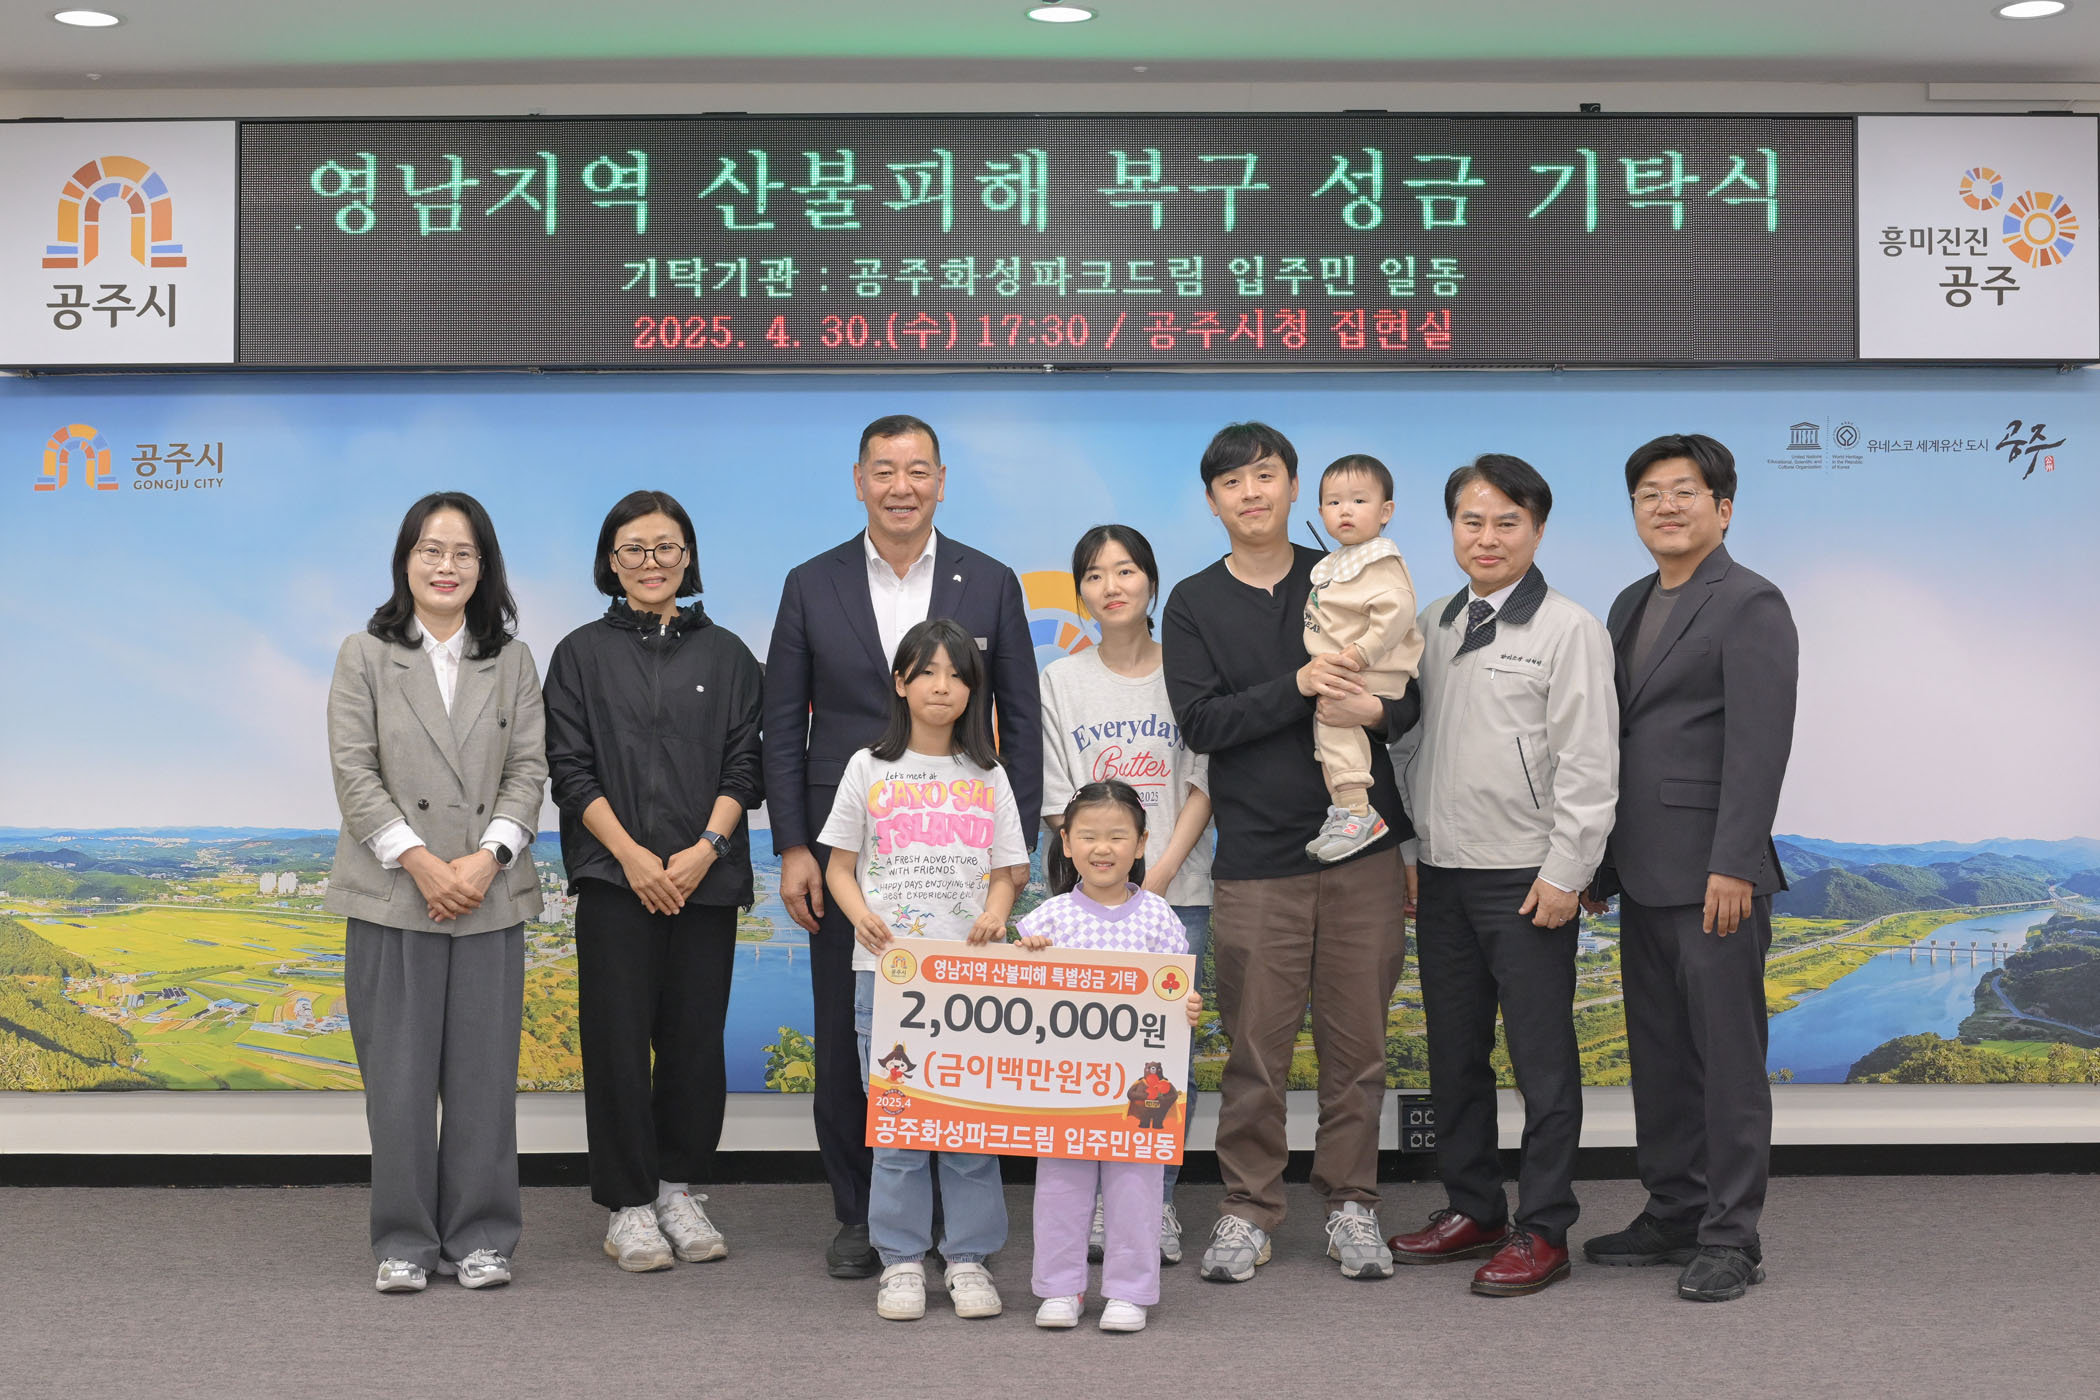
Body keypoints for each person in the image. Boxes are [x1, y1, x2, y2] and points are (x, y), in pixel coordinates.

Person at [762, 414, 1042, 1279]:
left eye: (918, 470)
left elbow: (1021, 721)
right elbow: (782, 723)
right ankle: (863, 1215)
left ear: (942, 481)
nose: (901, 486)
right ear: (859, 481)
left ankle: (957, 1222)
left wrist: (1013, 860)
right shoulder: (811, 583)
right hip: (849, 857)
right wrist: (795, 846)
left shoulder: (989, 581)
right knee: (850, 1040)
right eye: (883, 470)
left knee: (961, 1037)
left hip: (961, 857)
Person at [1160, 421, 1418, 1285]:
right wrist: (1299, 685)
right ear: (1212, 501)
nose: (1252, 493)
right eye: (1232, 482)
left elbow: (1409, 699)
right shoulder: (1194, 601)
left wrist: (1376, 712)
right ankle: (1248, 1208)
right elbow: (1203, 723)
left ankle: (1352, 1204)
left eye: (1266, 475)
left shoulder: (1347, 568)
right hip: (1257, 862)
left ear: (1295, 486)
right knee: (1254, 1055)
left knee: (1359, 1048)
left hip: (1362, 852)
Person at [1385, 455, 1618, 1298]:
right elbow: (1405, 746)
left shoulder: (1569, 629)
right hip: (1443, 873)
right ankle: (1474, 1208)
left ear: (1538, 530)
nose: (1487, 538)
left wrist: (1568, 871)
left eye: (1507, 522)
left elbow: (1590, 762)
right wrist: (1410, 854)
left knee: (1541, 1063)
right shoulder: (1433, 622)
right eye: (1472, 521)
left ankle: (1544, 1227)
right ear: (1452, 528)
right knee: (1455, 1057)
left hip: (1527, 878)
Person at [1580, 433, 1798, 1304]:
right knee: (1661, 1056)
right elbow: (1613, 739)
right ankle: (1674, 1210)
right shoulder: (1630, 602)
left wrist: (1735, 863)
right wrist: (1597, 862)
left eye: (1684, 491)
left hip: (1716, 876)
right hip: (1641, 870)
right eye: (1649, 494)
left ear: (1724, 508)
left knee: (1727, 1062)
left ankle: (1733, 1236)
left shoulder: (1750, 602)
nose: (1665, 506)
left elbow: (1759, 745)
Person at [323, 491, 546, 1294]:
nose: (445, 566)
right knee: (399, 1083)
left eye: (462, 553)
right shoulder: (365, 654)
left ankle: (483, 1236)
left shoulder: (512, 660)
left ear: (484, 567)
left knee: (485, 1081)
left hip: (490, 891)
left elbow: (529, 769)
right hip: (393, 893)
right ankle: (404, 1241)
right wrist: (420, 862)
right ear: (406, 561)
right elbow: (354, 772)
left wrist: (486, 859)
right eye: (430, 550)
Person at [541, 490, 764, 1273]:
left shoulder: (729, 655)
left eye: (665, 547)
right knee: (616, 1043)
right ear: (611, 561)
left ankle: (678, 1190)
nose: (650, 562)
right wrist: (633, 857)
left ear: (688, 556)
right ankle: (629, 1207)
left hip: (705, 879)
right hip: (614, 879)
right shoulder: (579, 654)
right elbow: (569, 769)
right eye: (633, 549)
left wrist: (705, 849)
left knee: (695, 1044)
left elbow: (746, 765)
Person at [818, 617, 1031, 1322]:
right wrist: (859, 915)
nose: (943, 686)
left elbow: (1008, 871)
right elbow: (839, 866)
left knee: (969, 1128)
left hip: (970, 981)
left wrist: (996, 911)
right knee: (899, 1129)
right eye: (928, 672)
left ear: (973, 690)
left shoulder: (989, 774)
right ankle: (902, 1260)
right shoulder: (867, 767)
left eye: (958, 675)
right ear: (901, 683)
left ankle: (968, 1258)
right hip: (888, 979)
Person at [1038, 524, 1213, 1266]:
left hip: (1178, 889)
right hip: (1087, 900)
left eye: (1127, 570)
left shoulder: (1189, 670)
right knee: (1084, 1053)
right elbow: (1056, 796)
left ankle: (1154, 1202)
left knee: (1167, 1054)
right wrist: (1105, 876)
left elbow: (1203, 782)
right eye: (1095, 575)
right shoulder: (1060, 680)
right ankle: (1096, 1204)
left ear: (1151, 582)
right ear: (1080, 592)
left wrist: (1157, 879)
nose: (1111, 586)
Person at [1018, 781, 1206, 1334]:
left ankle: (1129, 1291)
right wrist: (1025, 960)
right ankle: (1060, 1288)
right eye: (1089, 836)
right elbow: (1017, 1006)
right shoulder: (1046, 920)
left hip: (1141, 1093)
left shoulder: (1160, 918)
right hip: (1065, 1089)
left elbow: (1175, 993)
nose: (1103, 848)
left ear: (1142, 843)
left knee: (1136, 1189)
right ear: (1066, 843)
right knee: (1060, 1189)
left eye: (1118, 836)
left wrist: (1188, 1005)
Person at [1302, 454, 1425, 862]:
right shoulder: (1336, 562)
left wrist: (1360, 652)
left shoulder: (1378, 559)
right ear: (1320, 510)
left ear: (1385, 511)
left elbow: (1397, 610)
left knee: (1337, 727)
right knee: (1329, 738)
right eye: (1334, 502)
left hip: (1372, 668)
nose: (1345, 511)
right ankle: (1346, 812)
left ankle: (1358, 812)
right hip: (1348, 666)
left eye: (1358, 501)